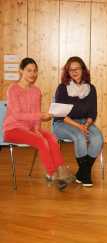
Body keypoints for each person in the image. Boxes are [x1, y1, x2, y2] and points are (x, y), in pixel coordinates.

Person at [3, 57, 71, 191]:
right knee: (40, 141)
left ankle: (61, 170)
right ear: (21, 71)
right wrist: (40, 117)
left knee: (52, 138)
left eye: (35, 71)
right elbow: (17, 115)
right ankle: (52, 174)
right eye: (29, 70)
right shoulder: (12, 89)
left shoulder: (36, 91)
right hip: (13, 129)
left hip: (29, 129)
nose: (32, 74)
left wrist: (37, 128)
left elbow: (35, 113)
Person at [53, 56, 103, 187]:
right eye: (70, 70)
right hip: (62, 122)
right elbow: (60, 114)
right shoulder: (62, 88)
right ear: (67, 72)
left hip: (83, 122)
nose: (74, 72)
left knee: (98, 138)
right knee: (79, 136)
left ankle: (83, 172)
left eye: (77, 69)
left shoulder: (91, 88)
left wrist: (86, 124)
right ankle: (85, 176)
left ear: (83, 70)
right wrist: (80, 127)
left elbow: (93, 112)